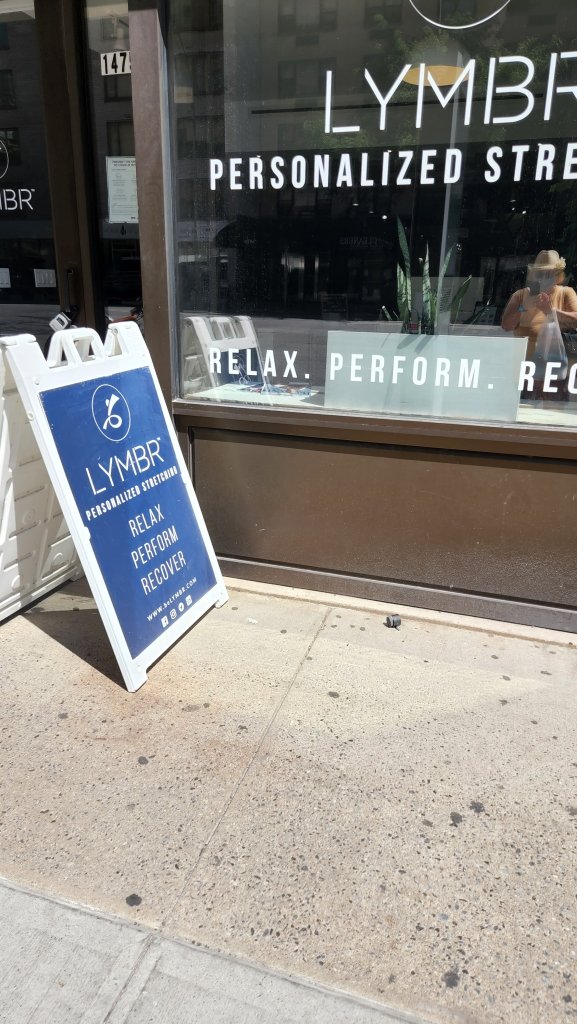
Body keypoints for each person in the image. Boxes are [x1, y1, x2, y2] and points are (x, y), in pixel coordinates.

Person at [501, 250, 577, 399]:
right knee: (524, 409)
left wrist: (551, 311)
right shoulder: (521, 295)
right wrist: (523, 308)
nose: (543, 278)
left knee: (553, 410)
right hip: (526, 371)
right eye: (540, 273)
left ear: (557, 275)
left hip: (556, 372)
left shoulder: (566, 293)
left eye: (548, 274)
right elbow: (506, 325)